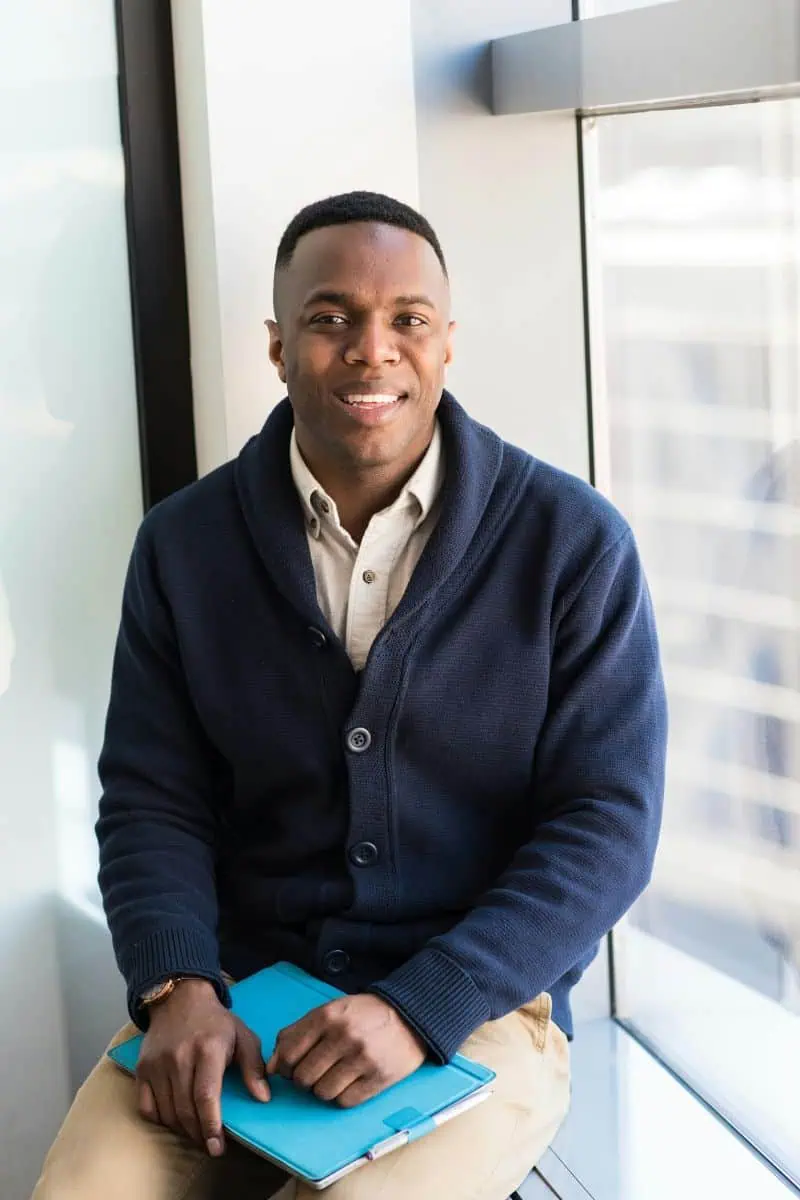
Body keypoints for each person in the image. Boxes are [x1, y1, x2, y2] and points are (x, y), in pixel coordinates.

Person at [33, 191, 667, 1200]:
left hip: (480, 1014)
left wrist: (421, 1005)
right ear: (278, 347)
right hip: (235, 1006)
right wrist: (175, 986)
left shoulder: (571, 543)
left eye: (406, 320)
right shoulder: (184, 546)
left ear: (446, 344)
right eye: (331, 320)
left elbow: (607, 825)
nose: (371, 351)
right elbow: (153, 797)